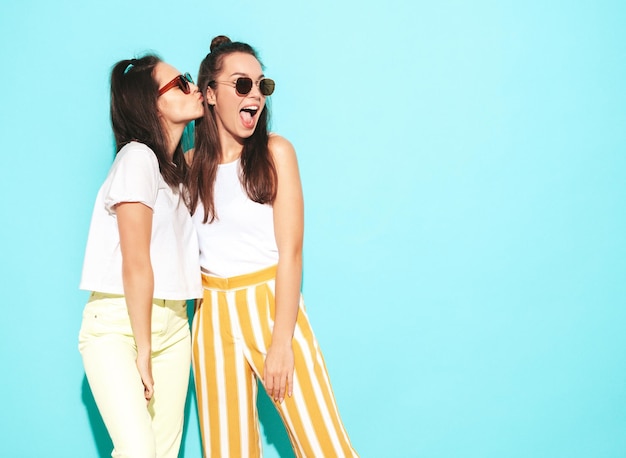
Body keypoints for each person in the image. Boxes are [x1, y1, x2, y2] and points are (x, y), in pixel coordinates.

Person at [188, 35, 359, 457]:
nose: (255, 96)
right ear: (209, 94)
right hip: (211, 314)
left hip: (271, 305)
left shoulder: (275, 153)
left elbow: (291, 253)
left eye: (261, 86)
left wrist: (281, 342)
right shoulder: (189, 165)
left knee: (325, 447)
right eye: (241, 85)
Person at [78, 55, 204, 458]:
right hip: (120, 327)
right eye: (180, 83)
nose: (191, 85)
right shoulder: (137, 158)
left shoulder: (174, 172)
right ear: (153, 105)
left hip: (174, 325)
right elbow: (136, 263)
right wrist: (143, 349)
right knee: (138, 452)